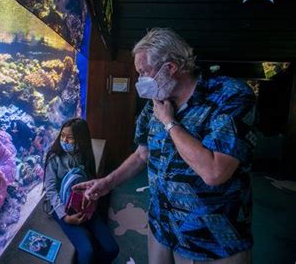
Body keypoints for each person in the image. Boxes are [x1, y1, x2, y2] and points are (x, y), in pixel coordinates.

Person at [74, 28, 256, 264]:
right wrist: (107, 182)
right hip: (161, 228)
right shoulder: (155, 104)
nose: (140, 81)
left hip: (211, 242)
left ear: (170, 68)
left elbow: (214, 172)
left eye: (144, 72)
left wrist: (170, 123)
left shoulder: (230, 96)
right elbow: (142, 154)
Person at [43, 118, 119, 264]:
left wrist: (91, 204)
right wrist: (65, 217)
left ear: (81, 140)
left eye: (70, 137)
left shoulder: (85, 155)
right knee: (87, 251)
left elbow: (90, 182)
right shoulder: (54, 158)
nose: (64, 140)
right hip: (61, 207)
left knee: (112, 249)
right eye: (62, 135)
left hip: (83, 204)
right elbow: (51, 190)